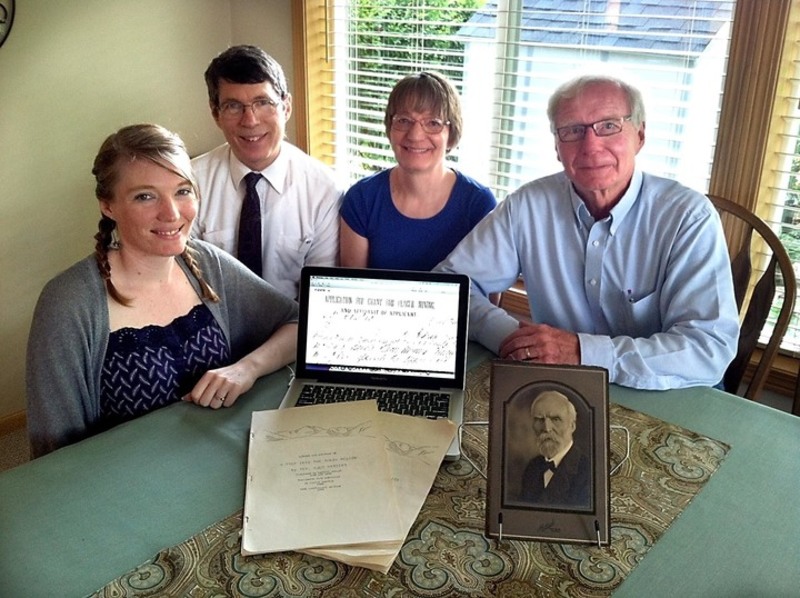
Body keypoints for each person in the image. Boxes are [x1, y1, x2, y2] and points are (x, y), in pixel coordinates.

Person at [437, 74, 739, 390]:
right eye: (573, 131)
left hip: (669, 393)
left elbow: (708, 348)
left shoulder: (688, 217)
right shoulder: (527, 206)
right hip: (560, 387)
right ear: (557, 146)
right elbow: (451, 288)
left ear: (640, 135)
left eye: (609, 125)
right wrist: (516, 339)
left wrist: (582, 352)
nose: (591, 146)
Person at [26, 124, 299, 458]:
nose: (171, 213)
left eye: (183, 191)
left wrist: (247, 368)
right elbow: (53, 455)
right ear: (108, 206)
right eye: (145, 196)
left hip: (219, 461)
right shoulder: (67, 304)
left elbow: (298, 325)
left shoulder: (206, 263)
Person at [192, 45, 343, 299]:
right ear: (216, 113)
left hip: (293, 327)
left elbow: (319, 296)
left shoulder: (324, 190)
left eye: (263, 103)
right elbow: (183, 282)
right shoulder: (190, 183)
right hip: (210, 328)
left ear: (286, 107)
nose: (250, 120)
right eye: (233, 106)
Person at [340, 71, 496, 271]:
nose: (415, 135)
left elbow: (487, 298)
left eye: (433, 123)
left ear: (452, 133)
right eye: (403, 120)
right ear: (389, 127)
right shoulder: (362, 199)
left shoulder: (478, 205)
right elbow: (352, 290)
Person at [520, 391, 591, 509]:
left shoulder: (587, 471)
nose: (547, 428)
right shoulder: (532, 467)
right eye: (539, 419)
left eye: (556, 419)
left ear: (572, 426)